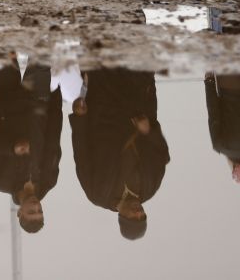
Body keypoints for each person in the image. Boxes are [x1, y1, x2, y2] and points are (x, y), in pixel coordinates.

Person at [70, 68, 170, 240]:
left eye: (134, 218)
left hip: (103, 108)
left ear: (122, 218)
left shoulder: (97, 194)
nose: (139, 213)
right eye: (142, 217)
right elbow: (162, 155)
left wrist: (80, 118)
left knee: (98, 51)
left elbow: (82, 152)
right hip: (138, 101)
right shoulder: (151, 187)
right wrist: (148, 131)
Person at [0, 59, 62, 234]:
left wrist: (12, 148)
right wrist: (56, 102)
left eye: (31, 211)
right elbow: (53, 137)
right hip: (39, 103)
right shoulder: (49, 179)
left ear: (20, 212)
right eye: (40, 211)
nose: (36, 206)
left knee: (5, 46)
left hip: (8, 101)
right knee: (42, 53)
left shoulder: (0, 181)